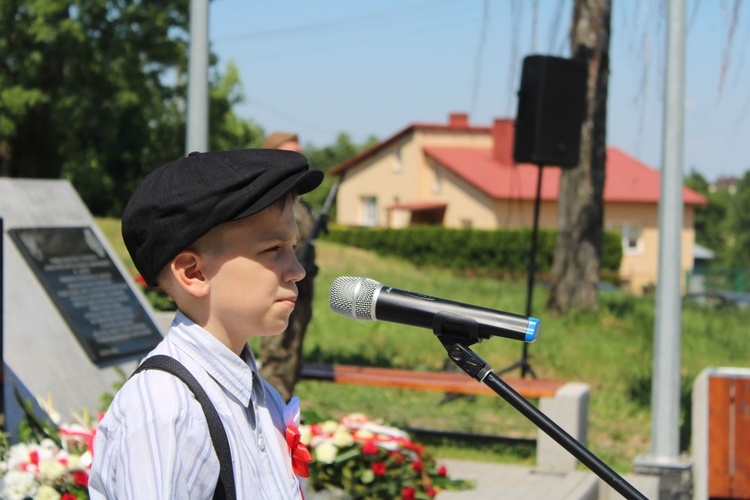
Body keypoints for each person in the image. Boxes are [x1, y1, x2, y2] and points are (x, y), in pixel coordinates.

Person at [88, 149, 323, 499]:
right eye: (273, 249)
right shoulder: (167, 411)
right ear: (193, 273)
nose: (297, 270)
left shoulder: (262, 395)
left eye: (293, 246)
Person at [258, 132, 317, 401]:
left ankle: (282, 416)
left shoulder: (297, 200)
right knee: (278, 354)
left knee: (293, 354)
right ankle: (270, 412)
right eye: (290, 154)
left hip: (300, 288)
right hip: (278, 286)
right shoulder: (270, 201)